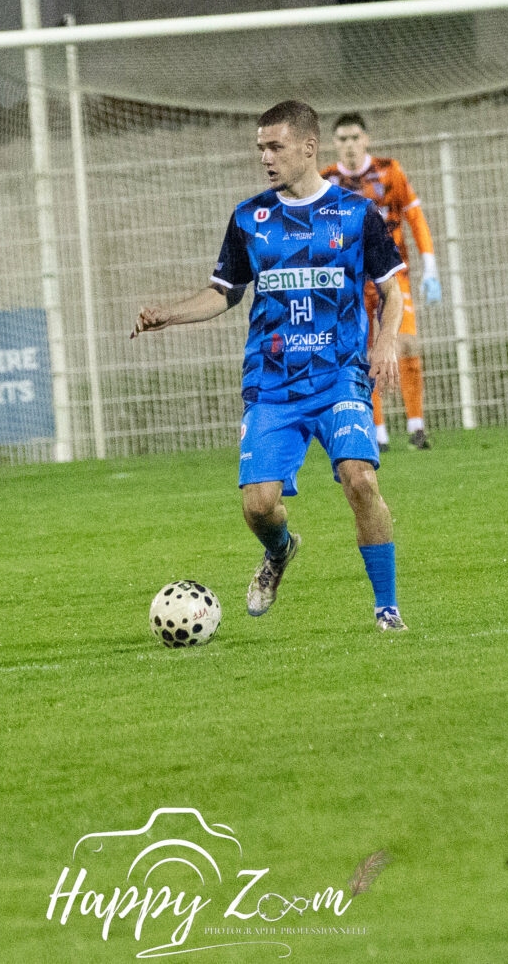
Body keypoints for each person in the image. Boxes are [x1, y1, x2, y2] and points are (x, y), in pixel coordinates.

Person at [133, 100, 409, 632]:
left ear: (309, 148)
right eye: (261, 147)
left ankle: (386, 607)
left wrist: (385, 343)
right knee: (259, 506)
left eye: (275, 146)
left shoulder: (356, 214)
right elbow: (223, 293)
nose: (265, 156)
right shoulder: (250, 217)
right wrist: (170, 314)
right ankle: (280, 552)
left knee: (360, 480)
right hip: (272, 385)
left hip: (340, 377)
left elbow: (390, 290)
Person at [323, 114, 442, 451]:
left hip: (393, 275)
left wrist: (430, 266)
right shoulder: (326, 181)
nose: (349, 145)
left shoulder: (390, 170)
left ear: (366, 139)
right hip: (353, 282)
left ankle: (417, 426)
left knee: (406, 343)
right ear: (335, 144)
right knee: (364, 352)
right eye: (342, 139)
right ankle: (377, 432)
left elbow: (415, 217)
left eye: (354, 137)